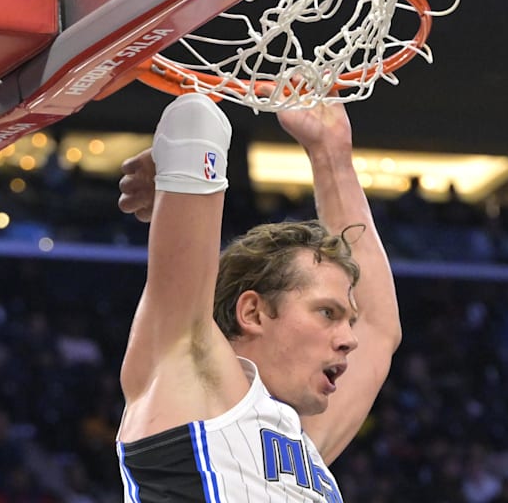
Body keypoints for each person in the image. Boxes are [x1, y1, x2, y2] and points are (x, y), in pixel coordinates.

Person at [113, 92, 401, 501]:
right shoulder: (185, 364)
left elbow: (377, 325)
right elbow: (194, 120)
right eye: (326, 312)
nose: (349, 338)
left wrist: (330, 155)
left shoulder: (297, 446)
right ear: (253, 311)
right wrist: (177, 167)